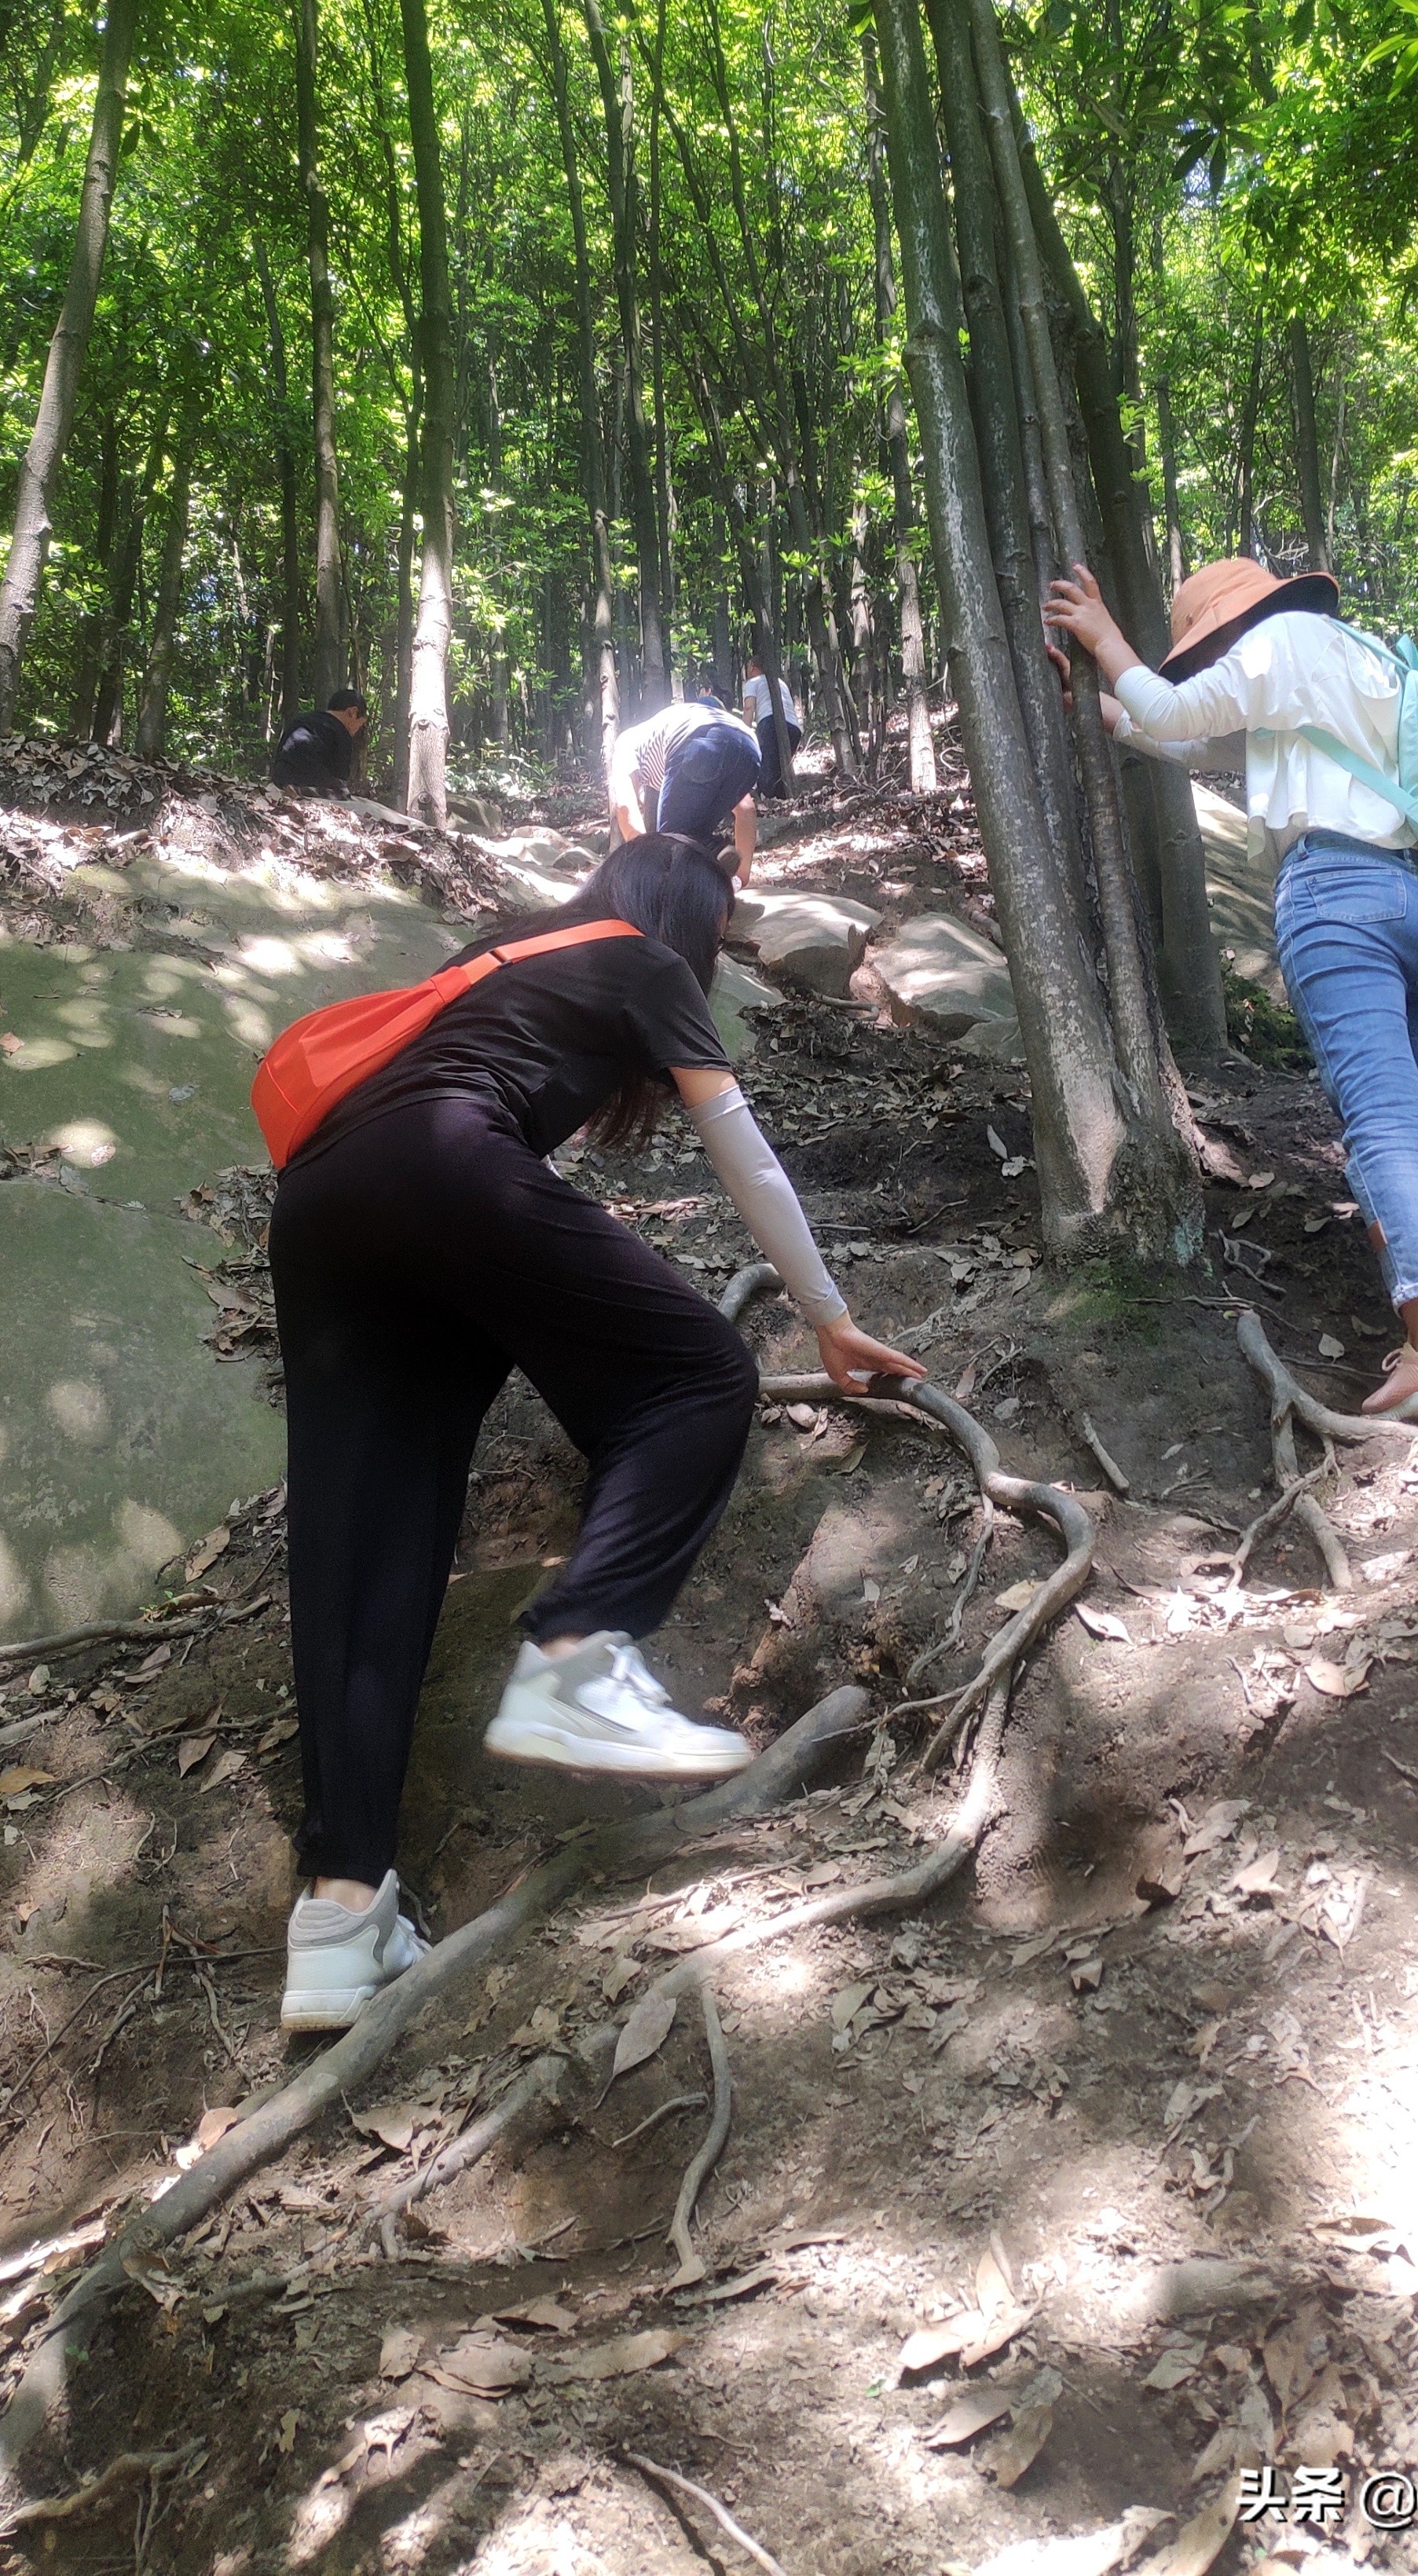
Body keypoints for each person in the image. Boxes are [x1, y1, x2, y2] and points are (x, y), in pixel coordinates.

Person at [268, 830, 921, 2028]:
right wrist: (828, 1318)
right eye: (718, 929)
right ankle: (579, 1653)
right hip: (443, 1161)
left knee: (369, 1543)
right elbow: (748, 1156)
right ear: (687, 917)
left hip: (318, 1205)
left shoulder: (501, 953)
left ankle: (339, 1912)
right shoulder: (643, 960)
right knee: (693, 1377)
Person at [1042, 553, 1418, 1424]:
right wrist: (1093, 702)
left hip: (1343, 900)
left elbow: (1175, 706)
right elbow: (1176, 735)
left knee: (1380, 1129)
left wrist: (1104, 636)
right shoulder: (1352, 666)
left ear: (1228, 626)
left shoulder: (1283, 641)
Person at [607, 681, 763, 882]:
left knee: (671, 845)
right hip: (750, 748)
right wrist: (741, 879)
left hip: (697, 738)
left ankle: (713, 852)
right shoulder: (658, 749)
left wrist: (645, 860)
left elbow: (625, 806)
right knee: (690, 835)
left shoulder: (625, 743)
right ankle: (714, 853)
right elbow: (746, 808)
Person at [271, 687, 367, 795]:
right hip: (311, 783)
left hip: (281, 779)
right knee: (343, 792)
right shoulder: (341, 732)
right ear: (353, 712)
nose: (359, 728)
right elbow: (341, 777)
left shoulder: (300, 719)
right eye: (361, 723)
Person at [741, 663, 803, 797]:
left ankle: (768, 801)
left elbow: (749, 708)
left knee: (767, 767)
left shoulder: (753, 682)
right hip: (793, 727)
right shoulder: (780, 682)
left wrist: (743, 735)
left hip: (770, 722)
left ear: (752, 666)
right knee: (781, 768)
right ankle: (782, 798)